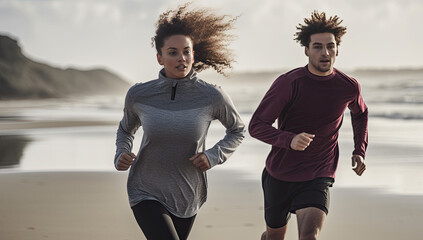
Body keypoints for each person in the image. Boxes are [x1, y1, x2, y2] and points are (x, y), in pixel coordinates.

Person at [114, 3, 244, 240]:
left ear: (194, 54)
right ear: (160, 57)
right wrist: (121, 152)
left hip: (187, 192)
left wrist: (214, 155)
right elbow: (125, 129)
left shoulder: (212, 95)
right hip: (145, 188)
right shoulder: (139, 94)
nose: (181, 58)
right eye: (173, 52)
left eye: (187, 51)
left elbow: (237, 130)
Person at [248, 11, 368, 240]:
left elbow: (361, 113)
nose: (325, 53)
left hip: (319, 173)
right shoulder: (288, 83)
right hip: (280, 174)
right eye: (317, 46)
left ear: (337, 49)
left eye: (330, 46)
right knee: (274, 237)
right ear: (306, 50)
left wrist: (359, 150)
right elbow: (256, 125)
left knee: (309, 236)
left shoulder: (348, 87)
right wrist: (288, 139)